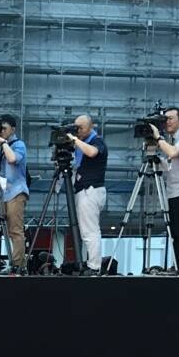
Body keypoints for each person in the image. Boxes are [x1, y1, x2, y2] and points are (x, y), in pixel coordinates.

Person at [67, 113, 108, 274]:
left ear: (91, 127)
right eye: (76, 128)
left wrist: (75, 140)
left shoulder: (97, 140)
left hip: (90, 190)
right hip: (83, 190)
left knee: (90, 231)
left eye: (81, 128)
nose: (78, 131)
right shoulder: (81, 142)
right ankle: (88, 263)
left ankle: (94, 266)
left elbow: (92, 153)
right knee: (85, 231)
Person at [0, 115, 29, 273]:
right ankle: (12, 263)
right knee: (6, 231)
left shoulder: (18, 144)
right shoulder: (1, 147)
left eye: (4, 129)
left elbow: (13, 159)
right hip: (4, 193)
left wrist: (3, 143)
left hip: (16, 192)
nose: (2, 132)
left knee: (15, 230)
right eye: (0, 129)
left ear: (13, 129)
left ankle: (18, 265)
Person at [150, 106, 179, 272]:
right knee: (176, 233)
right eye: (165, 119)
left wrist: (158, 138)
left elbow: (174, 153)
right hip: (174, 191)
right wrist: (157, 160)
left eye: (170, 118)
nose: (167, 122)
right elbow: (172, 165)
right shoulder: (174, 138)